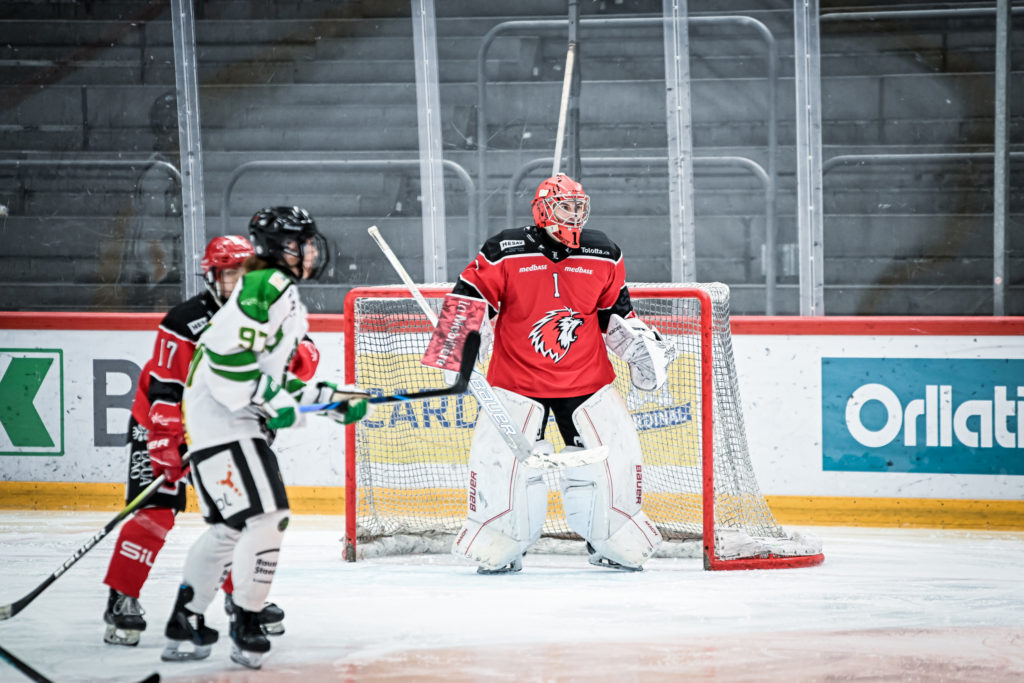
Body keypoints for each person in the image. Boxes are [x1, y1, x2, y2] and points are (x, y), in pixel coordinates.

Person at [162, 206, 370, 670]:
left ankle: (185, 621)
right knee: (268, 517)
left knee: (231, 527)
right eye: (303, 243)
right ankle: (247, 621)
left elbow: (265, 374)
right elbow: (225, 363)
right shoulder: (266, 285)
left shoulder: (275, 290)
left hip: (218, 421)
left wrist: (329, 397)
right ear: (281, 248)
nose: (312, 252)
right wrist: (272, 398)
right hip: (226, 422)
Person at [445, 173, 675, 574]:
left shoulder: (604, 253)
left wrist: (640, 347)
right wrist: (456, 347)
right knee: (508, 470)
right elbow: (468, 299)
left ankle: (611, 541)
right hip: (517, 382)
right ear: (542, 210)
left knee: (608, 467)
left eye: (578, 207)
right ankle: (503, 543)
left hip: (586, 382)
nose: (574, 215)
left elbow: (616, 314)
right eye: (565, 207)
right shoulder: (503, 251)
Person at [101, 235, 320, 647]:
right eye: (229, 274)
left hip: (221, 427)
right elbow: (164, 392)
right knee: (156, 513)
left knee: (240, 517)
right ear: (212, 277)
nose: (237, 283)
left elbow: (303, 358)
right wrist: (166, 444)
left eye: (244, 274)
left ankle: (241, 600)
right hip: (160, 426)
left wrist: (293, 360)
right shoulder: (185, 321)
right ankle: (122, 597)